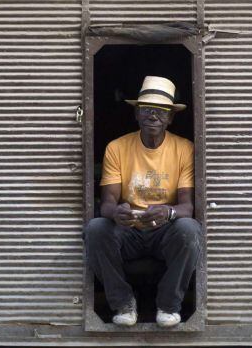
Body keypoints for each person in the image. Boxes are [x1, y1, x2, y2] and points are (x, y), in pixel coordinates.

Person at [84, 75, 202, 328]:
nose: (153, 116)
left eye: (161, 111)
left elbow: (187, 207)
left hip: (164, 232)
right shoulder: (117, 147)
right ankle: (123, 303)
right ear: (137, 114)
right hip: (129, 230)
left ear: (170, 118)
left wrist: (167, 213)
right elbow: (106, 203)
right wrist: (117, 211)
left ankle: (168, 306)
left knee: (189, 229)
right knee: (96, 228)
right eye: (147, 109)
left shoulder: (184, 149)